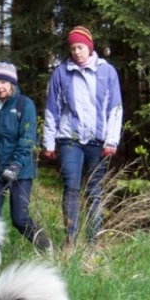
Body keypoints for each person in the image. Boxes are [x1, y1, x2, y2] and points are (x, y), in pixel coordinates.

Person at [42, 26, 123, 247]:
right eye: (72, 48)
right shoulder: (61, 73)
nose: (76, 52)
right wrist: (49, 142)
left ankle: (92, 240)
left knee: (94, 190)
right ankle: (70, 238)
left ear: (89, 47)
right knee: (71, 185)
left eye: (80, 47)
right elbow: (52, 109)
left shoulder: (107, 72)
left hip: (98, 141)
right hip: (70, 139)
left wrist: (111, 141)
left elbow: (115, 109)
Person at [0, 62, 52, 252]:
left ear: (12, 84)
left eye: (3, 82)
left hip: (20, 171)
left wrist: (15, 166)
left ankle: (46, 247)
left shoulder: (24, 105)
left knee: (20, 219)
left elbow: (28, 139)